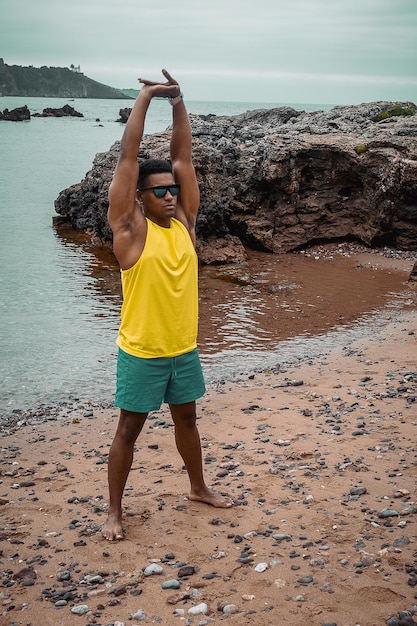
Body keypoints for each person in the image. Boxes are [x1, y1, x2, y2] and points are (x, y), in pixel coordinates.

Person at [102, 69, 233, 541]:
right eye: (160, 191)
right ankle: (114, 511)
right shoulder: (130, 233)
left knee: (188, 420)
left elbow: (182, 158)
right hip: (142, 352)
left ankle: (198, 487)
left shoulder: (185, 224)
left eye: (173, 190)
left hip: (183, 348)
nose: (170, 195)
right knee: (128, 431)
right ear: (139, 198)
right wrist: (146, 97)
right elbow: (127, 157)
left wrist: (178, 103)